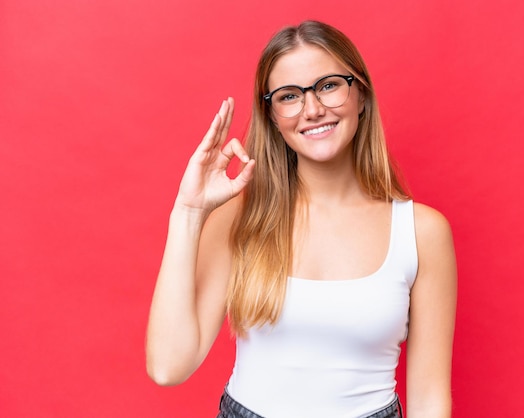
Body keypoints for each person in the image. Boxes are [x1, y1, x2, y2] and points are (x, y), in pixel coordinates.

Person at [146, 20, 457, 418]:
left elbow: (430, 399)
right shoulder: (241, 218)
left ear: (360, 94)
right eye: (289, 96)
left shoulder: (422, 232)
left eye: (328, 85)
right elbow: (168, 366)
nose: (312, 109)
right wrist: (188, 213)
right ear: (273, 116)